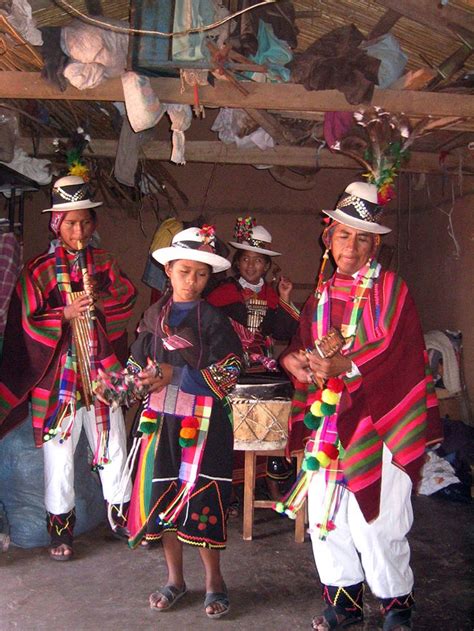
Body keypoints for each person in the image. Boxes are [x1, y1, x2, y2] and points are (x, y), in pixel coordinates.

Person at [280, 182, 442, 631]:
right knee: (326, 517)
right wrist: (295, 361)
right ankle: (344, 601)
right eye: (344, 235)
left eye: (363, 237)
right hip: (330, 422)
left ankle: (396, 604)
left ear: (376, 244)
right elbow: (301, 347)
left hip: (378, 419)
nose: (352, 246)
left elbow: (393, 349)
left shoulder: (392, 288)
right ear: (328, 239)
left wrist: (343, 364)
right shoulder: (321, 294)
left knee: (376, 519)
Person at [99, 226, 243, 619]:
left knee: (202, 500)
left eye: (200, 273)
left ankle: (215, 581)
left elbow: (229, 372)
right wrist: (117, 386)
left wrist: (174, 375)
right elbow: (136, 366)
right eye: (184, 271)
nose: (192, 280)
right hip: (160, 423)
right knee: (162, 500)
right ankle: (175, 579)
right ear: (169, 271)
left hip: (205, 425)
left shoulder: (215, 319)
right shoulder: (153, 316)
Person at [0, 174, 137, 561]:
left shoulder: (105, 263)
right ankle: (61, 531)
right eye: (70, 222)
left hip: (101, 373)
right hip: (57, 380)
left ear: (93, 224)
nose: (78, 230)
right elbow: (25, 321)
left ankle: (121, 518)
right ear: (56, 224)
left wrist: (99, 303)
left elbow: (126, 297)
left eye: (85, 222)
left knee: (112, 444)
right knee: (58, 456)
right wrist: (64, 313)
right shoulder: (38, 270)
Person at [206, 217, 300, 499]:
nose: (251, 266)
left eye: (258, 261)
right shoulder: (223, 291)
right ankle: (231, 489)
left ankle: (271, 481)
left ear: (267, 266)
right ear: (237, 262)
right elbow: (214, 324)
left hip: (263, 369)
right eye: (246, 259)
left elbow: (285, 330)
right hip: (231, 369)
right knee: (229, 426)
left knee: (273, 417)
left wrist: (284, 298)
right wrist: (240, 307)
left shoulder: (271, 294)